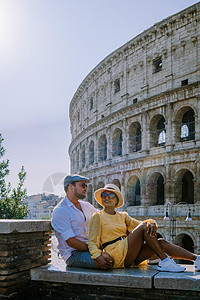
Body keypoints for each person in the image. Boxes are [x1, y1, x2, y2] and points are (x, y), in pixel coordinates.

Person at [88, 183, 200, 272]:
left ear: (116, 200)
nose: (106, 198)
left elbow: (139, 224)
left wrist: (151, 222)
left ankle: (197, 258)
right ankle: (165, 261)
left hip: (129, 253)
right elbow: (92, 242)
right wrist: (97, 255)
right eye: (103, 195)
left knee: (161, 243)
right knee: (144, 227)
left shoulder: (123, 216)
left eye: (111, 195)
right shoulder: (98, 216)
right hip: (114, 254)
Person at [51, 174, 114, 269]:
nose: (86, 188)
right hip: (73, 254)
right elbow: (71, 242)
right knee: (107, 260)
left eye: (86, 186)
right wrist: (95, 250)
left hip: (90, 248)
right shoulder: (60, 211)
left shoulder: (86, 206)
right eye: (82, 185)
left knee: (119, 253)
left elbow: (104, 217)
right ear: (70, 187)